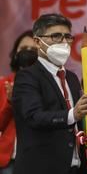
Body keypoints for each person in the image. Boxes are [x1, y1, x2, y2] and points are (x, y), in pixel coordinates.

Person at [11, 13, 87, 174]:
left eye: (67, 37)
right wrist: (73, 114)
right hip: (41, 168)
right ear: (37, 41)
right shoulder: (27, 77)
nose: (63, 42)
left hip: (75, 167)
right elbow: (34, 117)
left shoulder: (71, 78)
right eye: (56, 36)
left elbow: (72, 128)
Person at [0, 31, 37, 174]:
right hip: (9, 161)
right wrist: (10, 103)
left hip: (38, 159)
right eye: (23, 49)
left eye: (33, 50)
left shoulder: (49, 85)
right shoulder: (4, 84)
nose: (27, 53)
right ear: (15, 53)